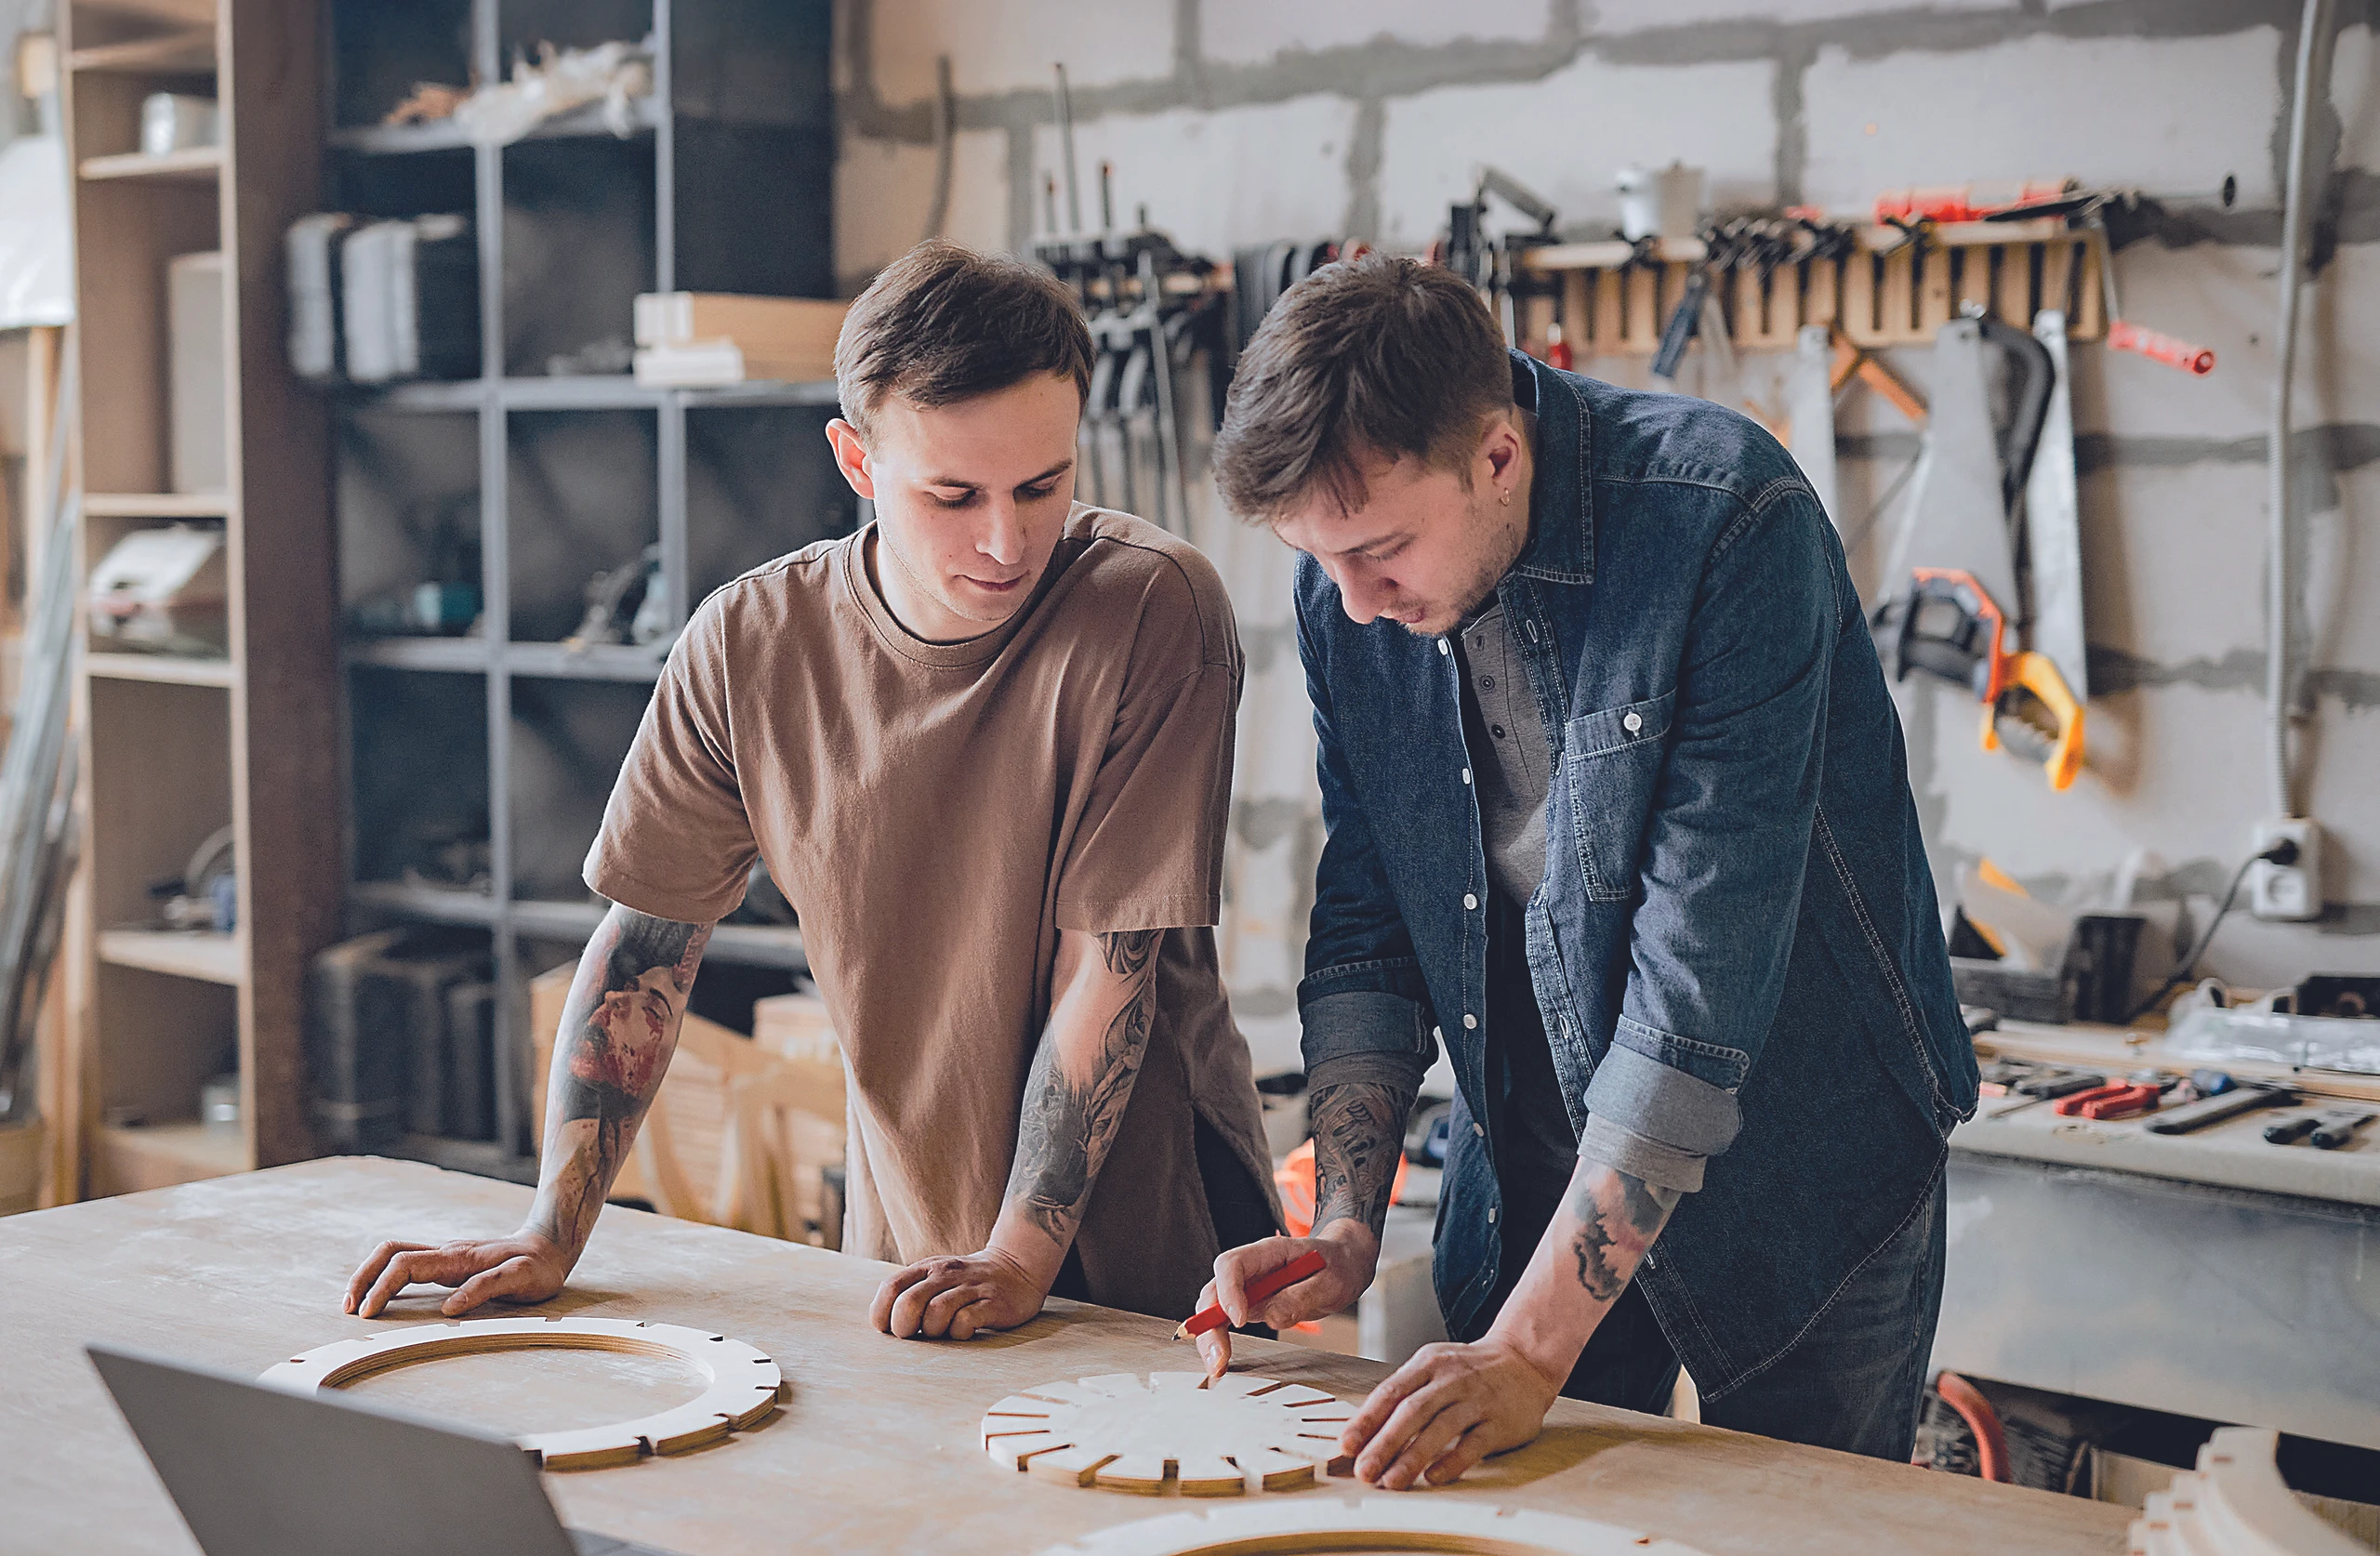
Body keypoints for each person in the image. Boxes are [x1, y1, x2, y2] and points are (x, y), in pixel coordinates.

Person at [346, 241, 1277, 1338]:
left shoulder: (1152, 610)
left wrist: (1019, 1256)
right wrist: (551, 1229)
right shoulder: (747, 644)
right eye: (952, 495)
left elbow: (1104, 971)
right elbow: (645, 949)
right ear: (855, 461)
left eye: (1043, 485)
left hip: (1154, 1263)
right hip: (909, 1238)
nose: (1006, 540)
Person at [1196, 256, 1976, 1489]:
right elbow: (1369, 918)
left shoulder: (1726, 520)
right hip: (1536, 1132)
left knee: (1804, 1519)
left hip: (1802, 1149)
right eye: (1321, 558)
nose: (1353, 603)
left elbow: (1693, 993)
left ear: (1498, 457)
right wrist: (1344, 1223)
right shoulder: (1349, 580)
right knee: (1512, 1513)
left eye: (1383, 551)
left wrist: (1526, 1350)